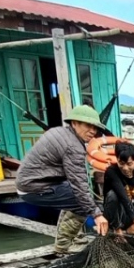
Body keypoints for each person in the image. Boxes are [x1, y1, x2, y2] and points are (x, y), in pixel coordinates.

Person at [15, 105, 110, 254]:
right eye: (88, 125)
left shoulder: (58, 132)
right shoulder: (73, 146)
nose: (93, 131)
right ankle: (64, 245)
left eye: (95, 127)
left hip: (33, 182)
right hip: (34, 187)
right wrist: (97, 214)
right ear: (74, 123)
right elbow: (80, 186)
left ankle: (75, 238)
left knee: (74, 196)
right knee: (81, 202)